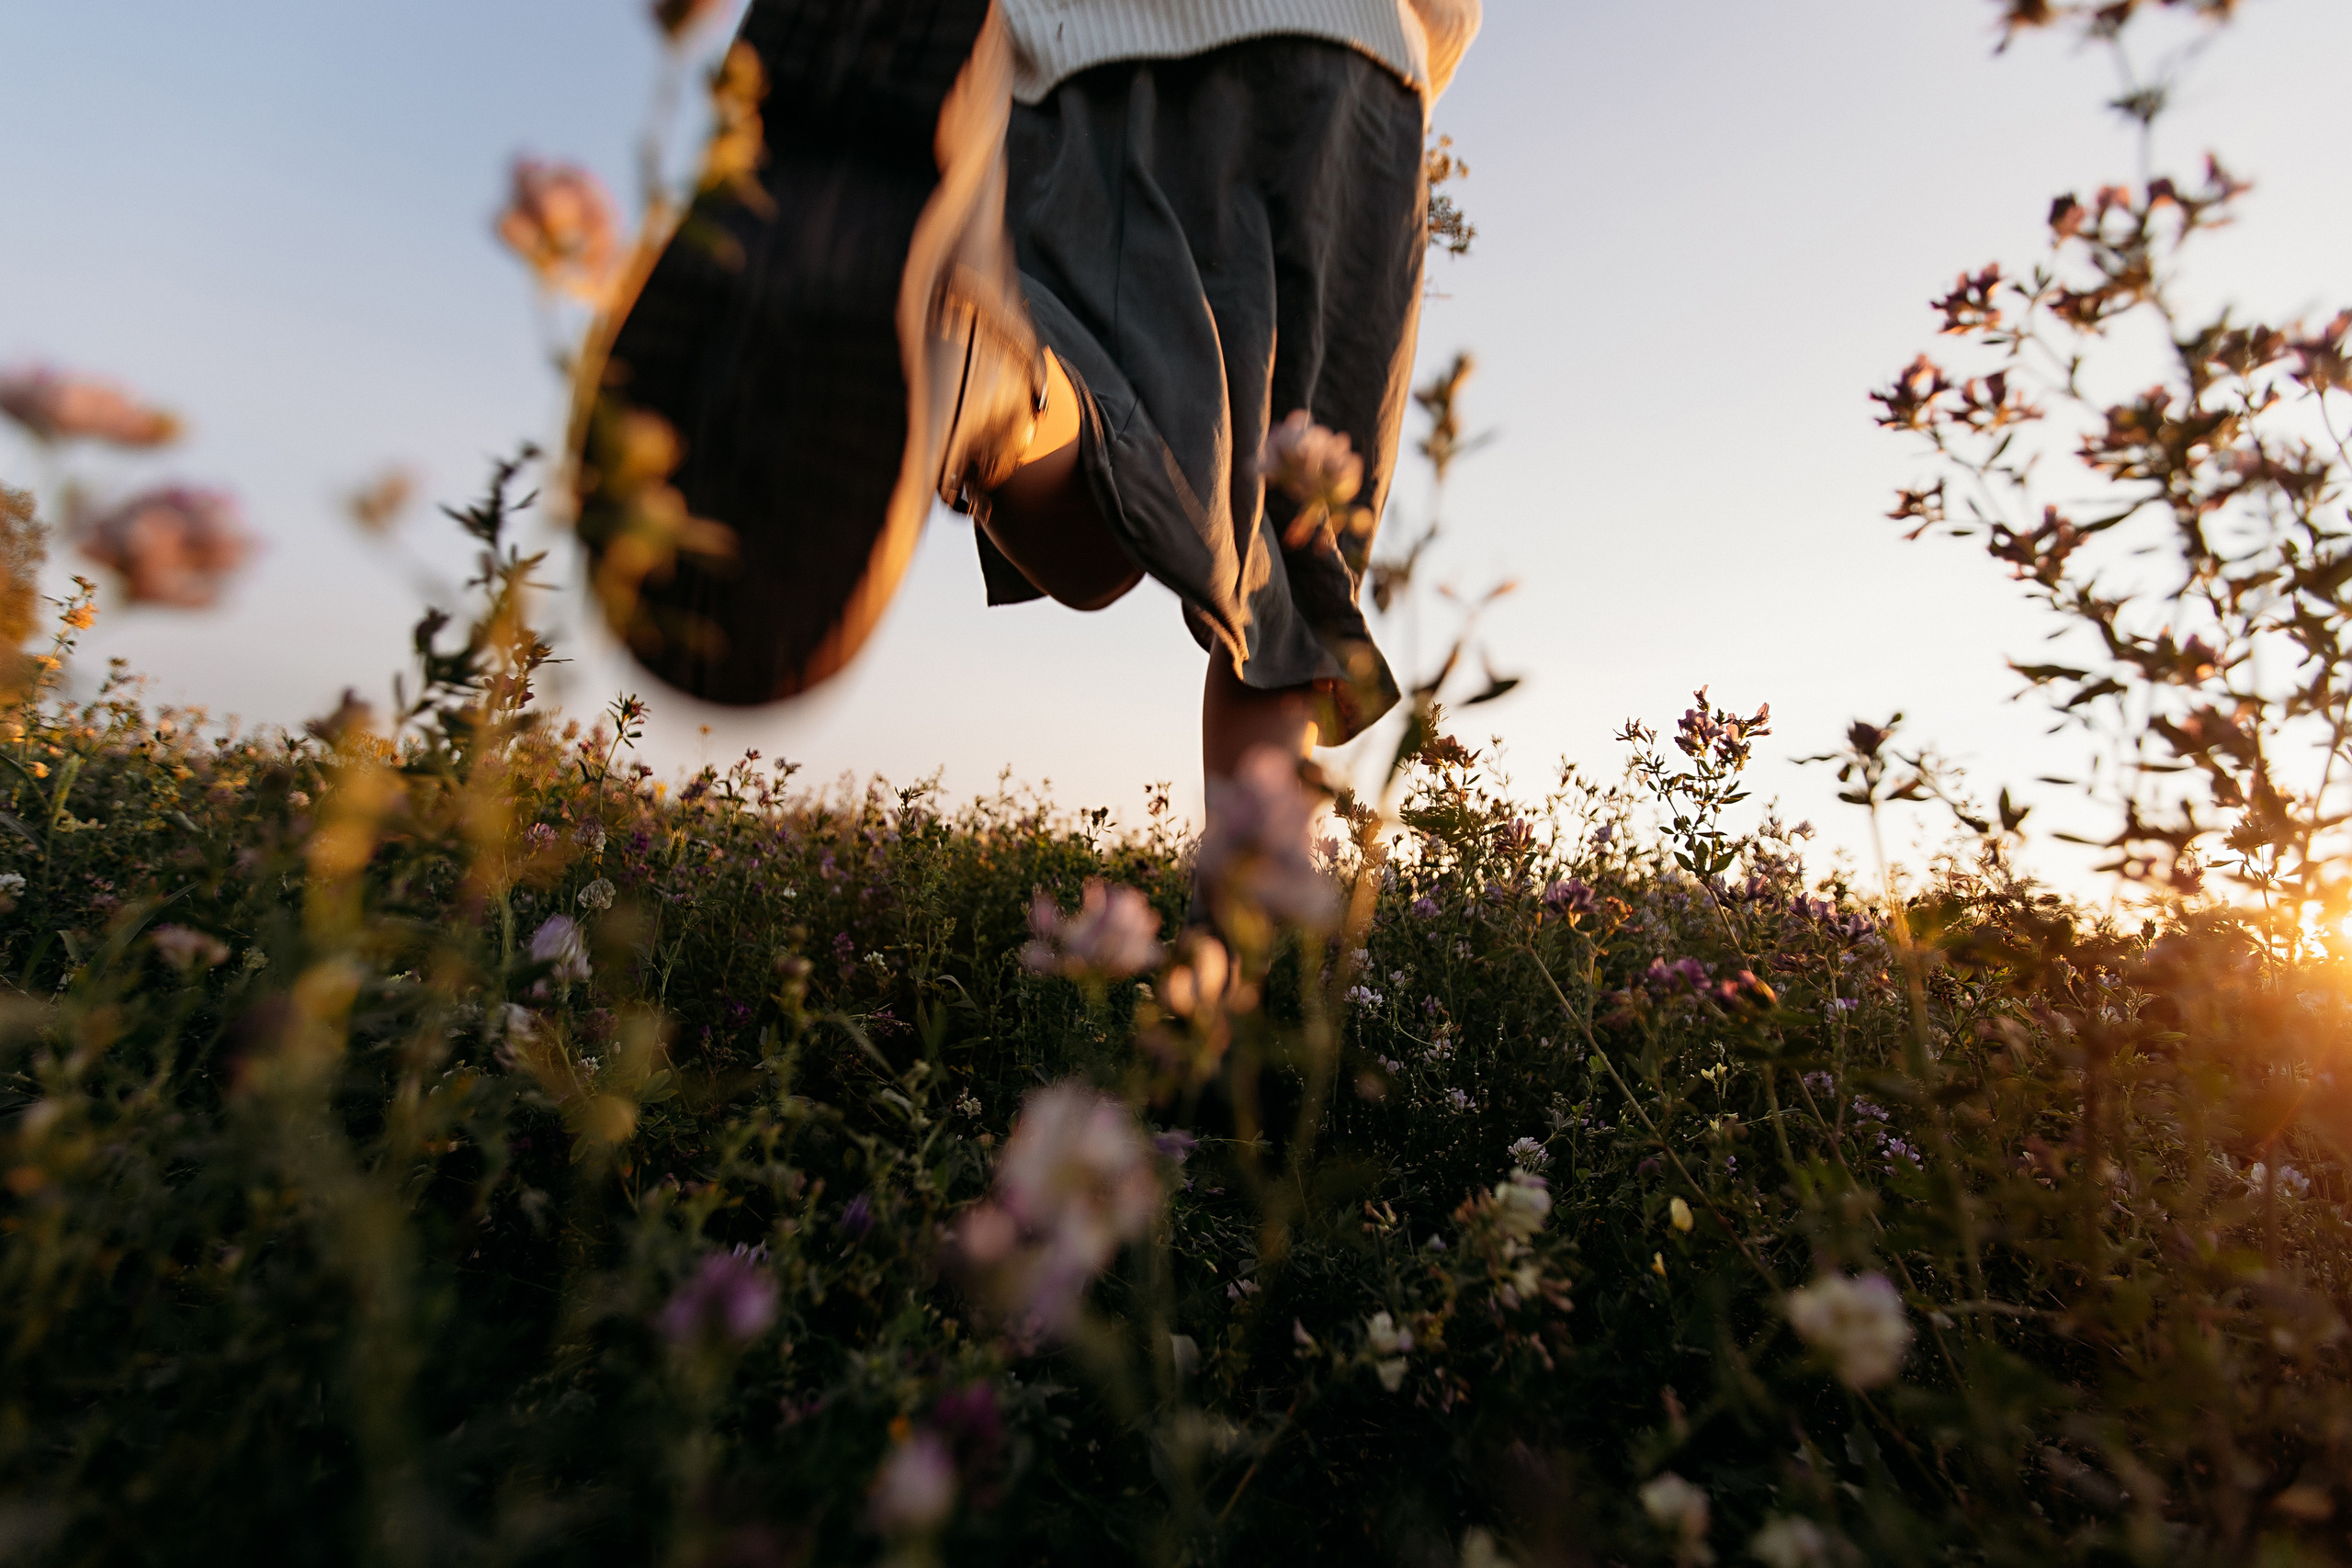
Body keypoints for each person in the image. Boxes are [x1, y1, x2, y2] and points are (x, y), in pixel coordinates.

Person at [574, 0, 1478, 880]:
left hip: (1054, 48)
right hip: (1342, 51)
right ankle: (1235, 995)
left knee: (1087, 498)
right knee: (1286, 586)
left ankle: (977, 363)